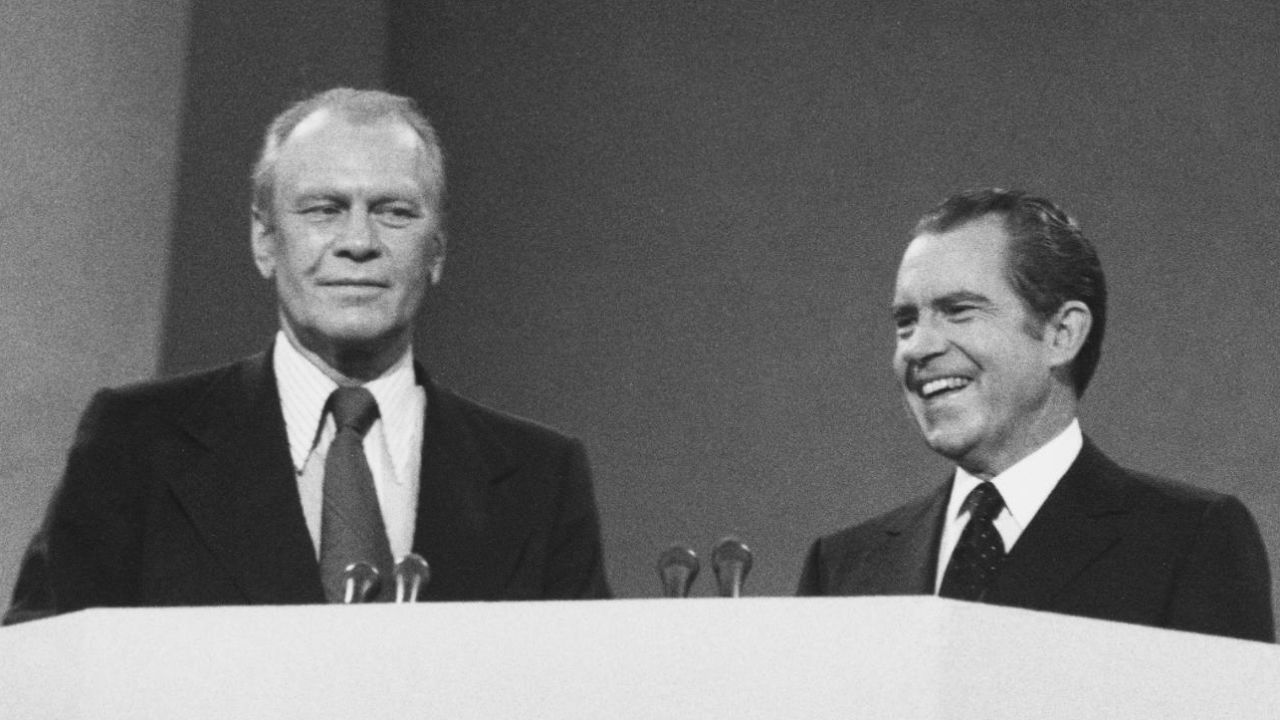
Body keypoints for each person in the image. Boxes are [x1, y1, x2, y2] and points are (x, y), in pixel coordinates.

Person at [5, 88, 610, 623]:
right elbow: (39, 671)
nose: (358, 243)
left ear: (438, 251)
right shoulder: (135, 443)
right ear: (265, 241)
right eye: (323, 209)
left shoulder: (540, 478)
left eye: (394, 212)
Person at [797, 188, 1274, 642]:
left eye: (959, 310)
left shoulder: (1186, 542)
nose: (918, 347)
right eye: (906, 322)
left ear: (1061, 334)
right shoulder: (842, 568)